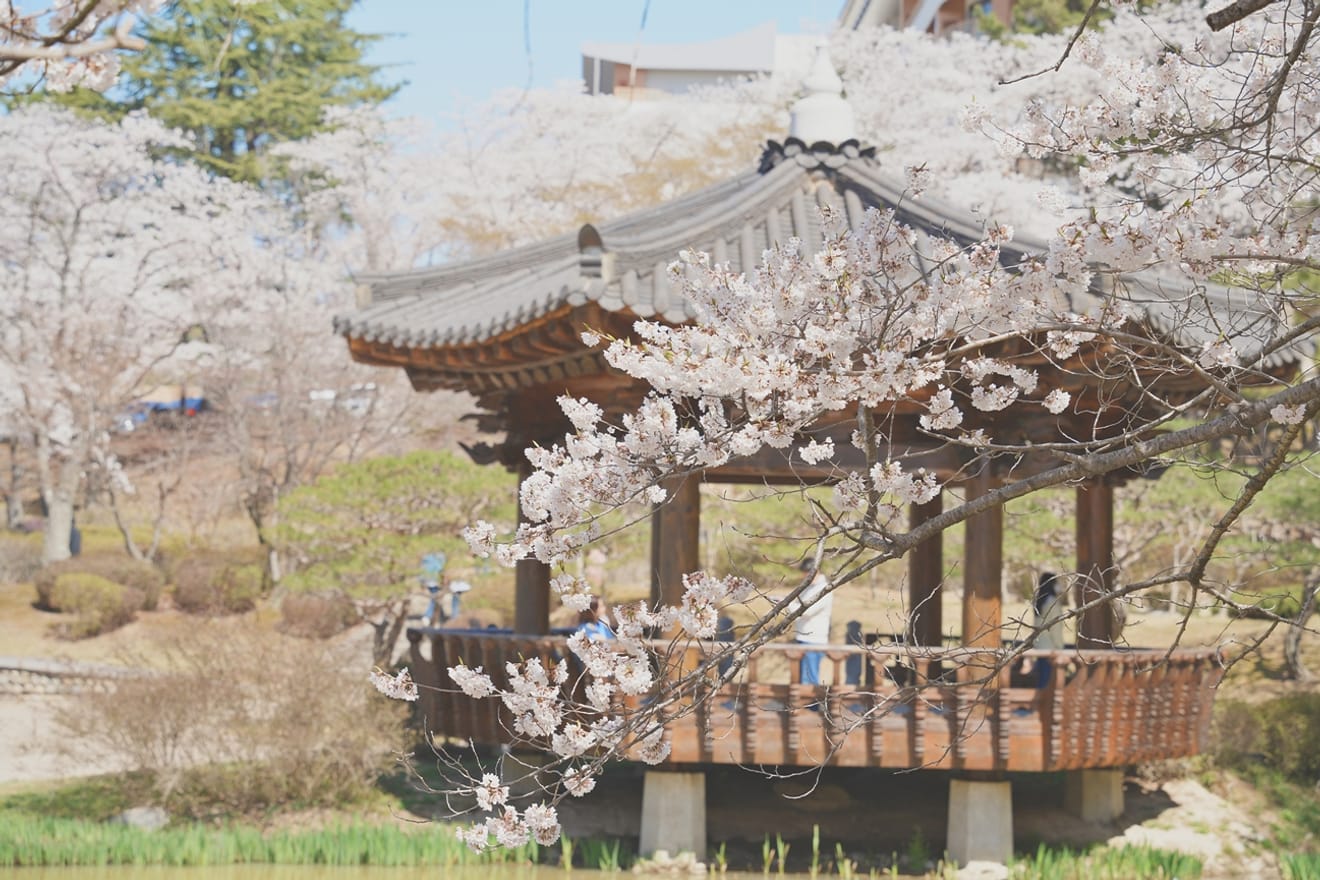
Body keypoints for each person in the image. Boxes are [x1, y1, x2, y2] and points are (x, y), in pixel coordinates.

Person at [787, 559, 833, 686]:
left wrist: (787, 605)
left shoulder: (823, 588)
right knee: (801, 679)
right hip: (802, 637)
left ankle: (811, 706)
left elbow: (805, 610)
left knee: (809, 679)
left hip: (814, 639)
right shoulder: (810, 587)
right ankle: (805, 705)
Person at [1031, 572, 1066, 687]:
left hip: (1040, 648)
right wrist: (1060, 647)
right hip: (1051, 649)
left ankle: (1039, 704)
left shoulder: (1040, 601)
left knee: (1042, 680)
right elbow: (1056, 628)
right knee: (1049, 683)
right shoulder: (1053, 603)